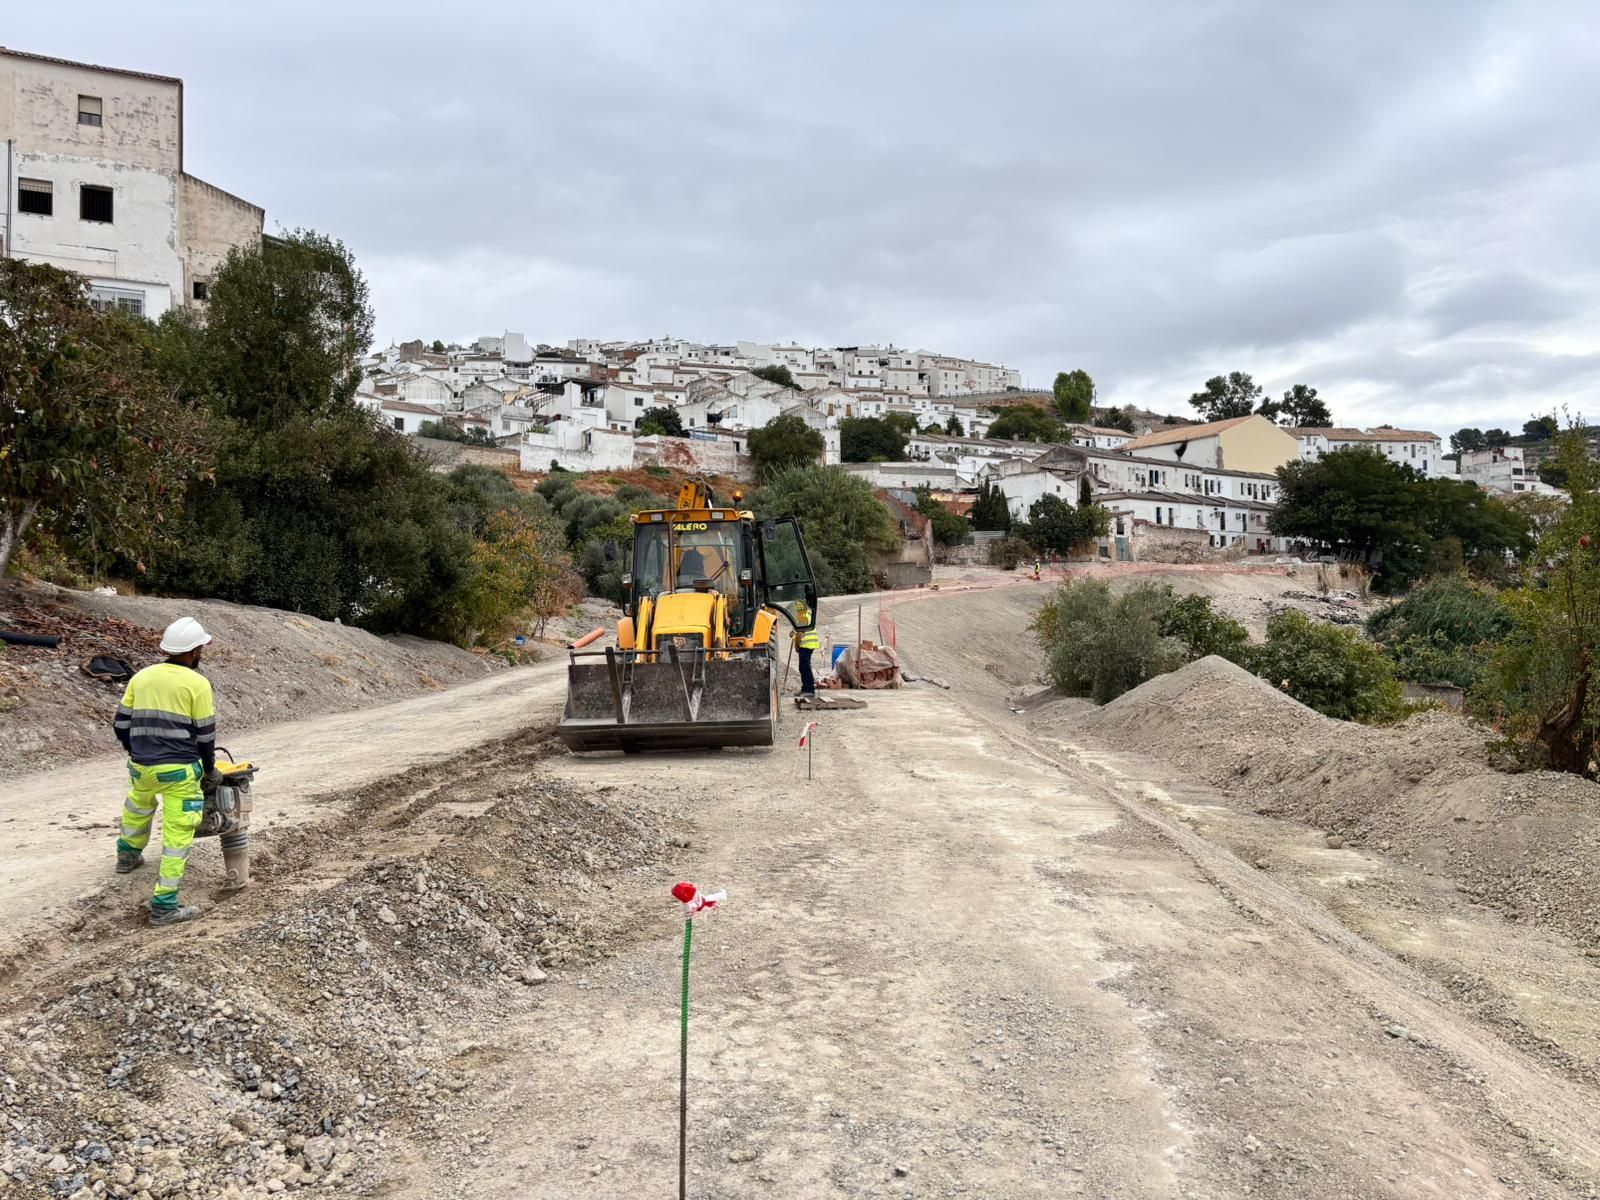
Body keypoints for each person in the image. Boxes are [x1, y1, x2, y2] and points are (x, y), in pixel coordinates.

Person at [113, 617, 218, 926]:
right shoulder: (197, 685)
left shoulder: (142, 677)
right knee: (177, 834)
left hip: (141, 765)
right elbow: (205, 737)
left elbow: (121, 724)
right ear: (195, 651)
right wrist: (209, 770)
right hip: (179, 772)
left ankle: (127, 856)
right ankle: (164, 906)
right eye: (201, 649)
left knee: (138, 806)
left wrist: (136, 752)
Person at [792, 601, 820, 696]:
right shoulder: (807, 614)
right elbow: (799, 631)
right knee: (803, 667)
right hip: (809, 645)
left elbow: (800, 634)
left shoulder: (802, 616)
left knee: (805, 667)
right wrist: (793, 633)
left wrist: (796, 646)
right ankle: (805, 689)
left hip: (805, 645)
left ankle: (809, 690)